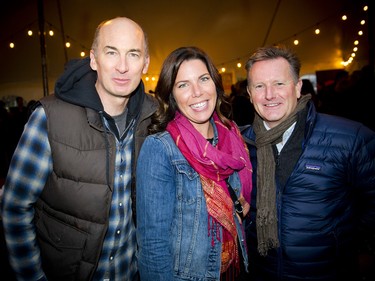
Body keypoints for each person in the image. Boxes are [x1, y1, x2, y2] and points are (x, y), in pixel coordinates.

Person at [1, 17, 157, 281]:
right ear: (94, 59)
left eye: (133, 54)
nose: (122, 66)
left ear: (145, 63)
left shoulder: (152, 119)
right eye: (111, 53)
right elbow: (15, 207)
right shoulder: (50, 118)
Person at [241, 45, 375, 281]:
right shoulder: (240, 145)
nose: (269, 94)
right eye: (259, 86)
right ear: (250, 94)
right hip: (262, 273)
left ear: (298, 87)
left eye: (279, 83)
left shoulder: (350, 138)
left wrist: (344, 243)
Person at [136, 46, 253, 280]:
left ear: (216, 85)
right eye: (183, 85)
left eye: (203, 79)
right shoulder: (160, 148)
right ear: (172, 96)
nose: (197, 92)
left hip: (235, 269)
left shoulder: (232, 138)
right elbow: (152, 244)